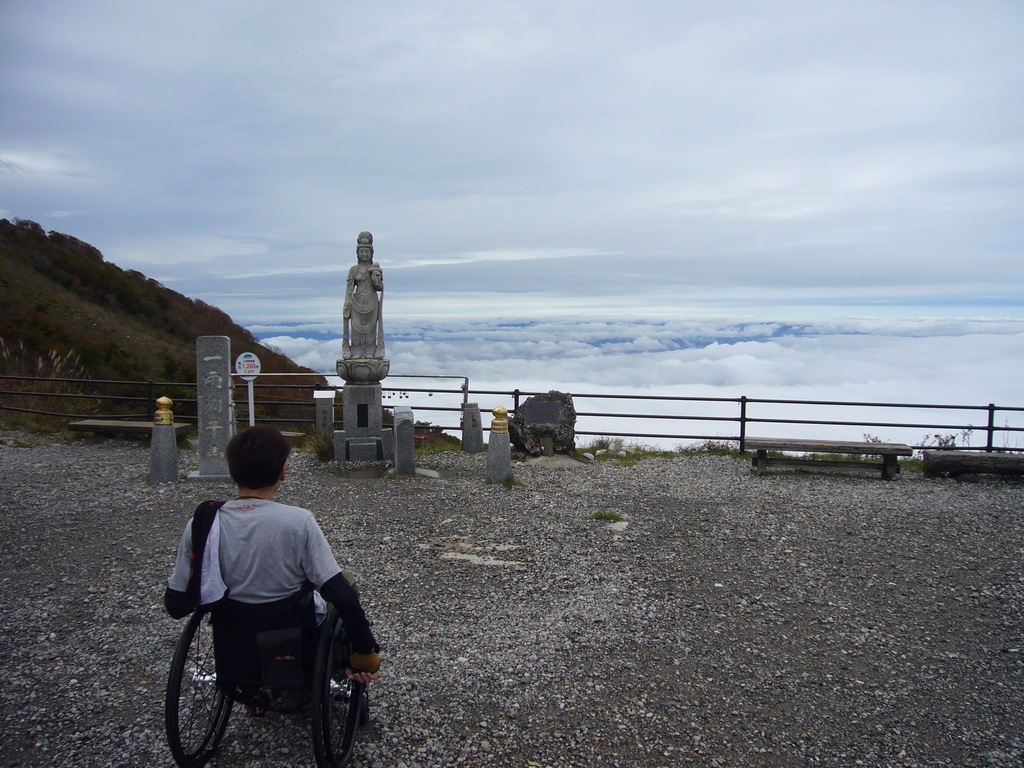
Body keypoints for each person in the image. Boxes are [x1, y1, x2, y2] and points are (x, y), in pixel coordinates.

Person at [164, 426, 380, 711]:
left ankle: (252, 692)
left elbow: (175, 603)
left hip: (232, 638)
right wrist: (365, 649)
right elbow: (339, 593)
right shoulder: (297, 522)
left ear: (232, 471)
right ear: (282, 473)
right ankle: (338, 677)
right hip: (293, 637)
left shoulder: (203, 523)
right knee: (347, 583)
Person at [342, 231, 385, 360]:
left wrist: (376, 279)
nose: (364, 254)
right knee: (356, 329)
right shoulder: (353, 269)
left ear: (371, 253)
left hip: (372, 301)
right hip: (357, 301)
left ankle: (370, 350)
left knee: (370, 329)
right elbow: (349, 288)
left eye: (367, 251)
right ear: (358, 253)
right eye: (362, 252)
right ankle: (355, 350)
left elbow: (379, 287)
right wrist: (347, 303)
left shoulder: (374, 268)